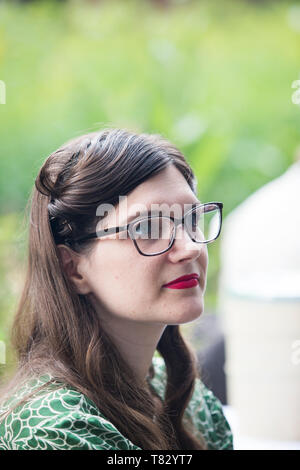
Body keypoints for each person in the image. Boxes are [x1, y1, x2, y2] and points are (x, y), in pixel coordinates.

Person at [0, 128, 233, 450]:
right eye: (147, 227)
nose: (190, 247)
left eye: (192, 220)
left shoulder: (183, 395)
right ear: (72, 268)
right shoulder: (54, 428)